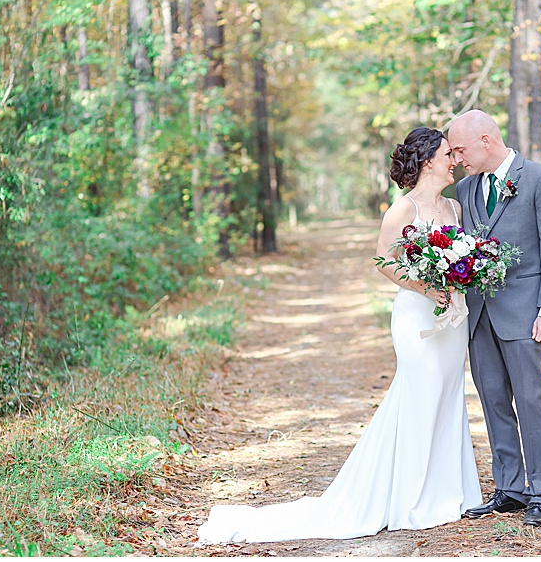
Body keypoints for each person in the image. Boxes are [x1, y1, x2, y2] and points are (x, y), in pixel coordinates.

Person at [196, 127, 481, 544]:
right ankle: (407, 499)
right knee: (419, 393)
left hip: (452, 316)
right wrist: (425, 286)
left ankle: (446, 493)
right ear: (426, 161)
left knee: (449, 394)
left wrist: (461, 277)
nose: (453, 159)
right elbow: (383, 260)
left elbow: (464, 256)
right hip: (417, 315)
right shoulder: (402, 210)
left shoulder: (455, 207)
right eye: (445, 153)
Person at [448, 110, 541, 527]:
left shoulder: (539, 178)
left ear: (485, 140)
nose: (456, 157)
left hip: (525, 311)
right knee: (494, 402)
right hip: (478, 315)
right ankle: (510, 489)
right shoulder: (464, 189)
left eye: (461, 148)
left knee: (532, 401)